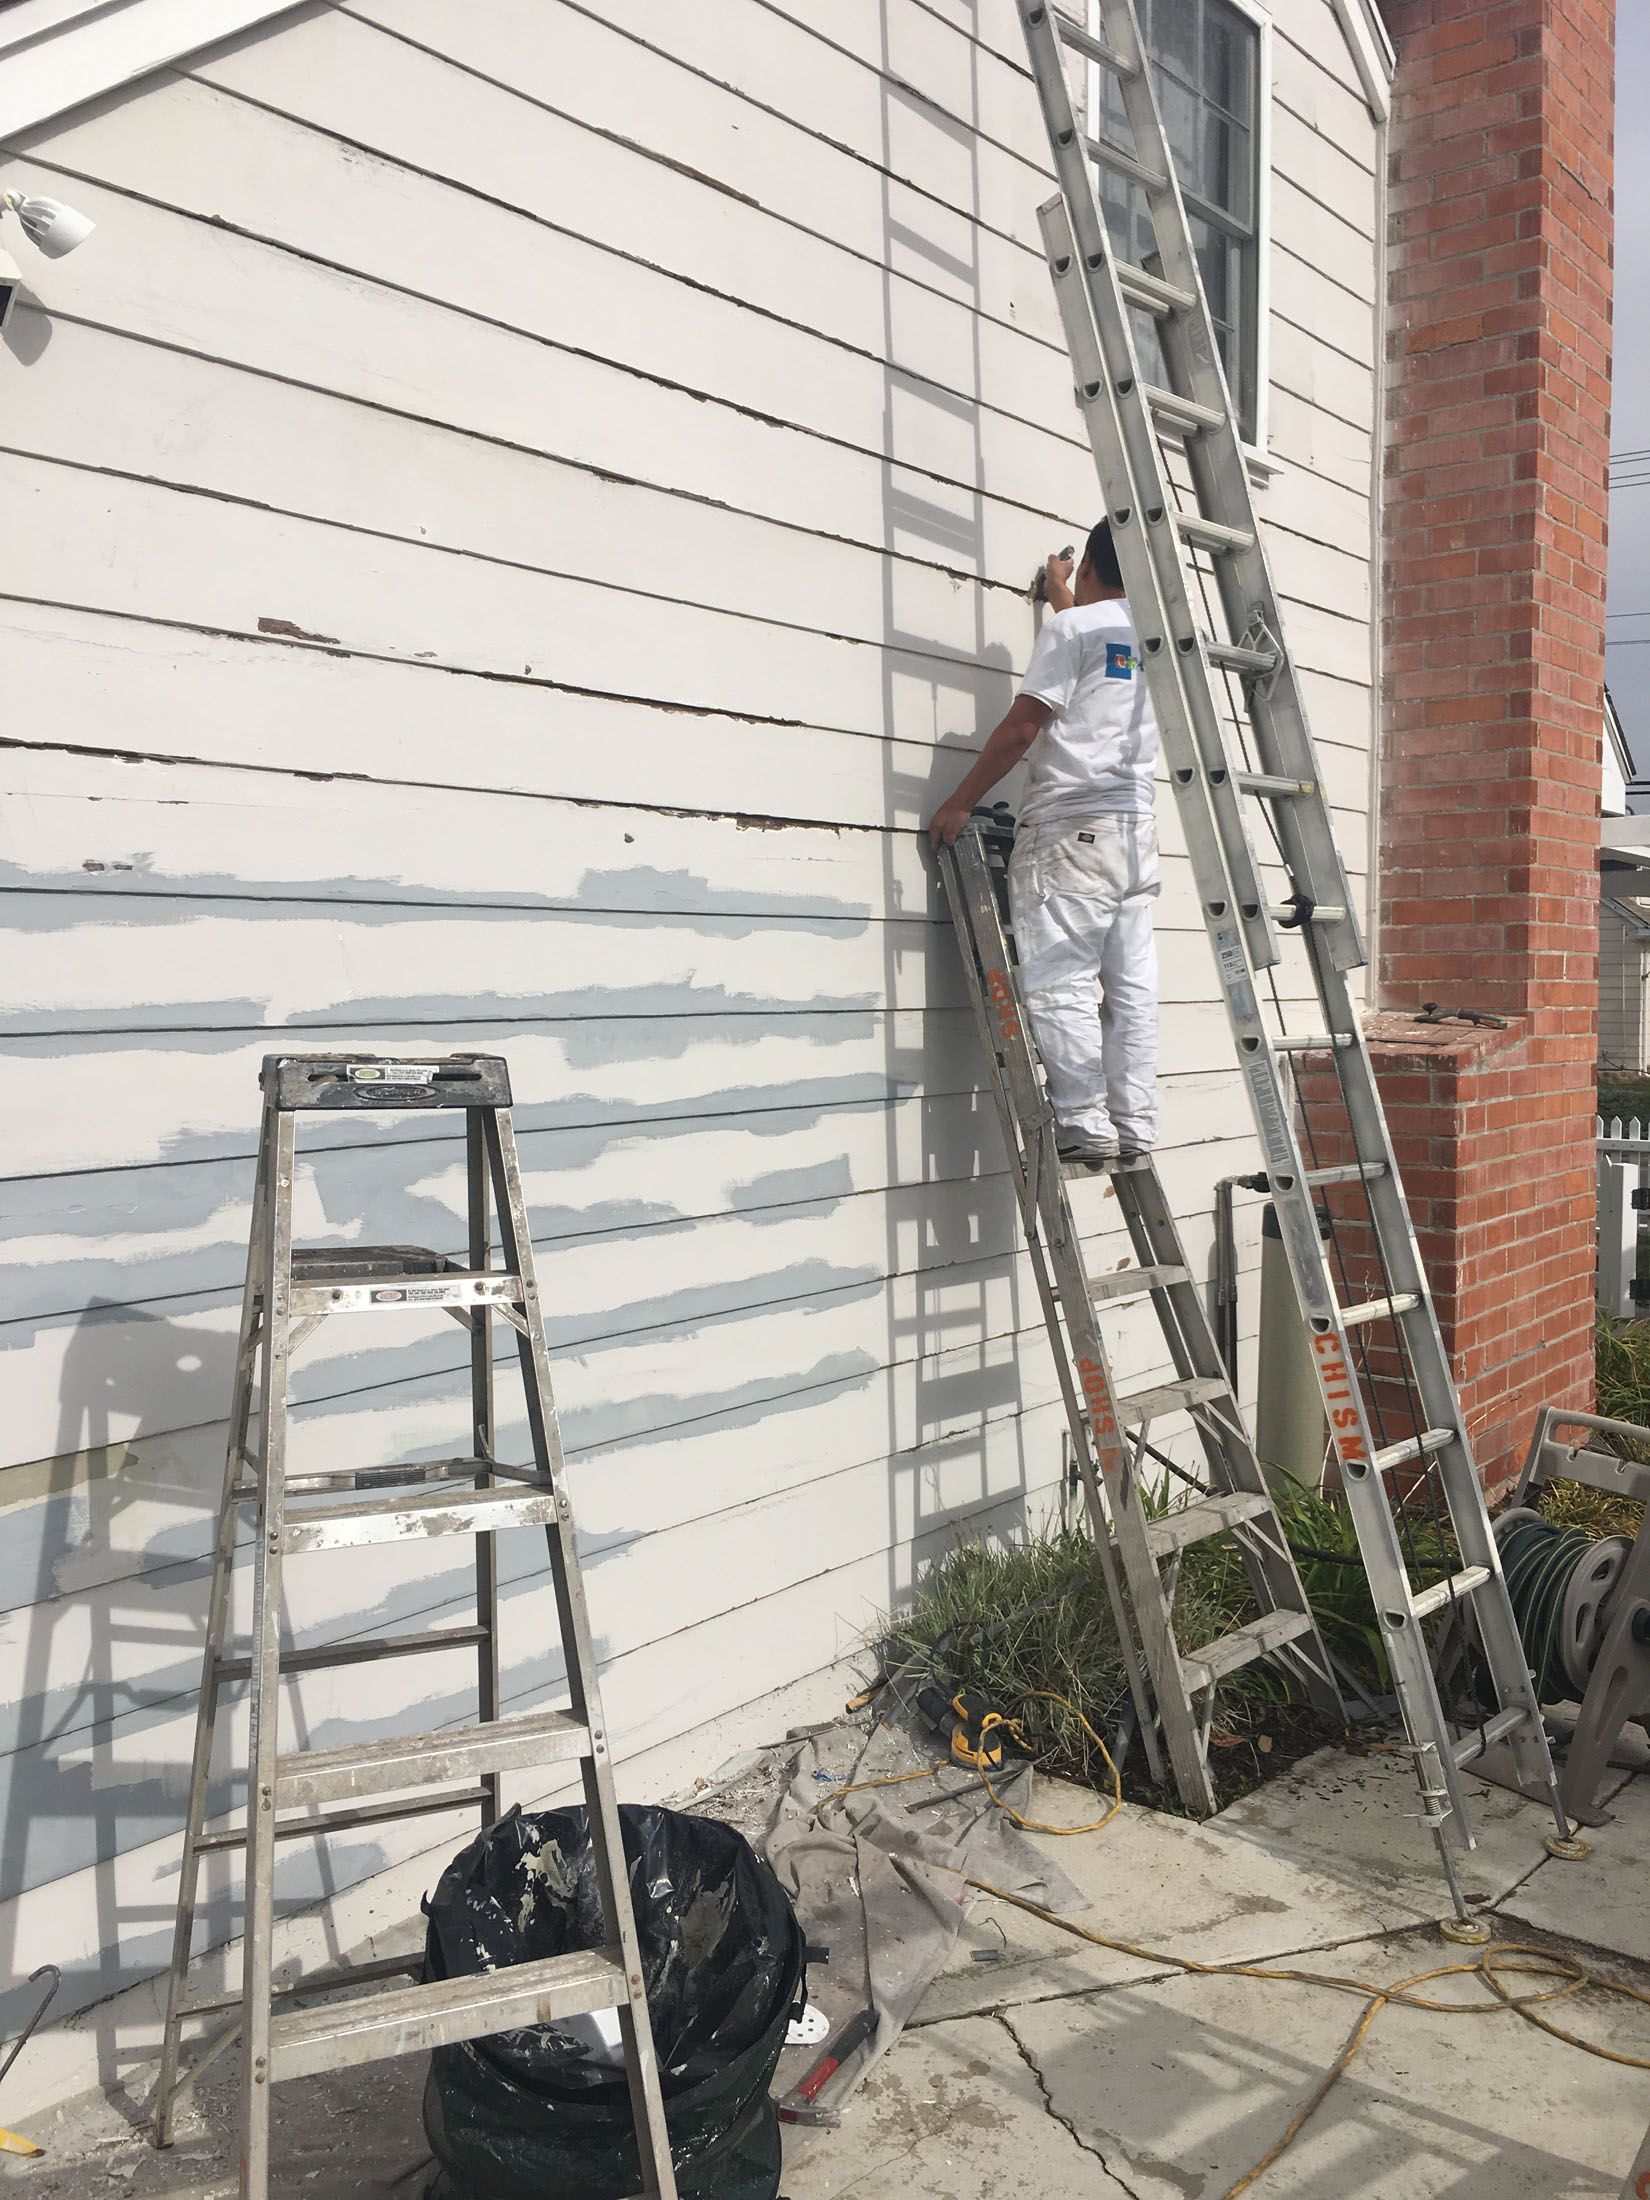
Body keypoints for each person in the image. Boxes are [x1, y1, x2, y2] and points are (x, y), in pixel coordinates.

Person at [927, 519, 1161, 1166]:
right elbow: (1102, 658)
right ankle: (1135, 1124)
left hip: (1071, 831)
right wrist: (1066, 600)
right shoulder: (1152, 638)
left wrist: (961, 799)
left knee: (1062, 977)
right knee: (1131, 985)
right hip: (1135, 837)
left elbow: (1022, 730)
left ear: (1088, 563)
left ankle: (1085, 1120)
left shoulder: (1074, 629)